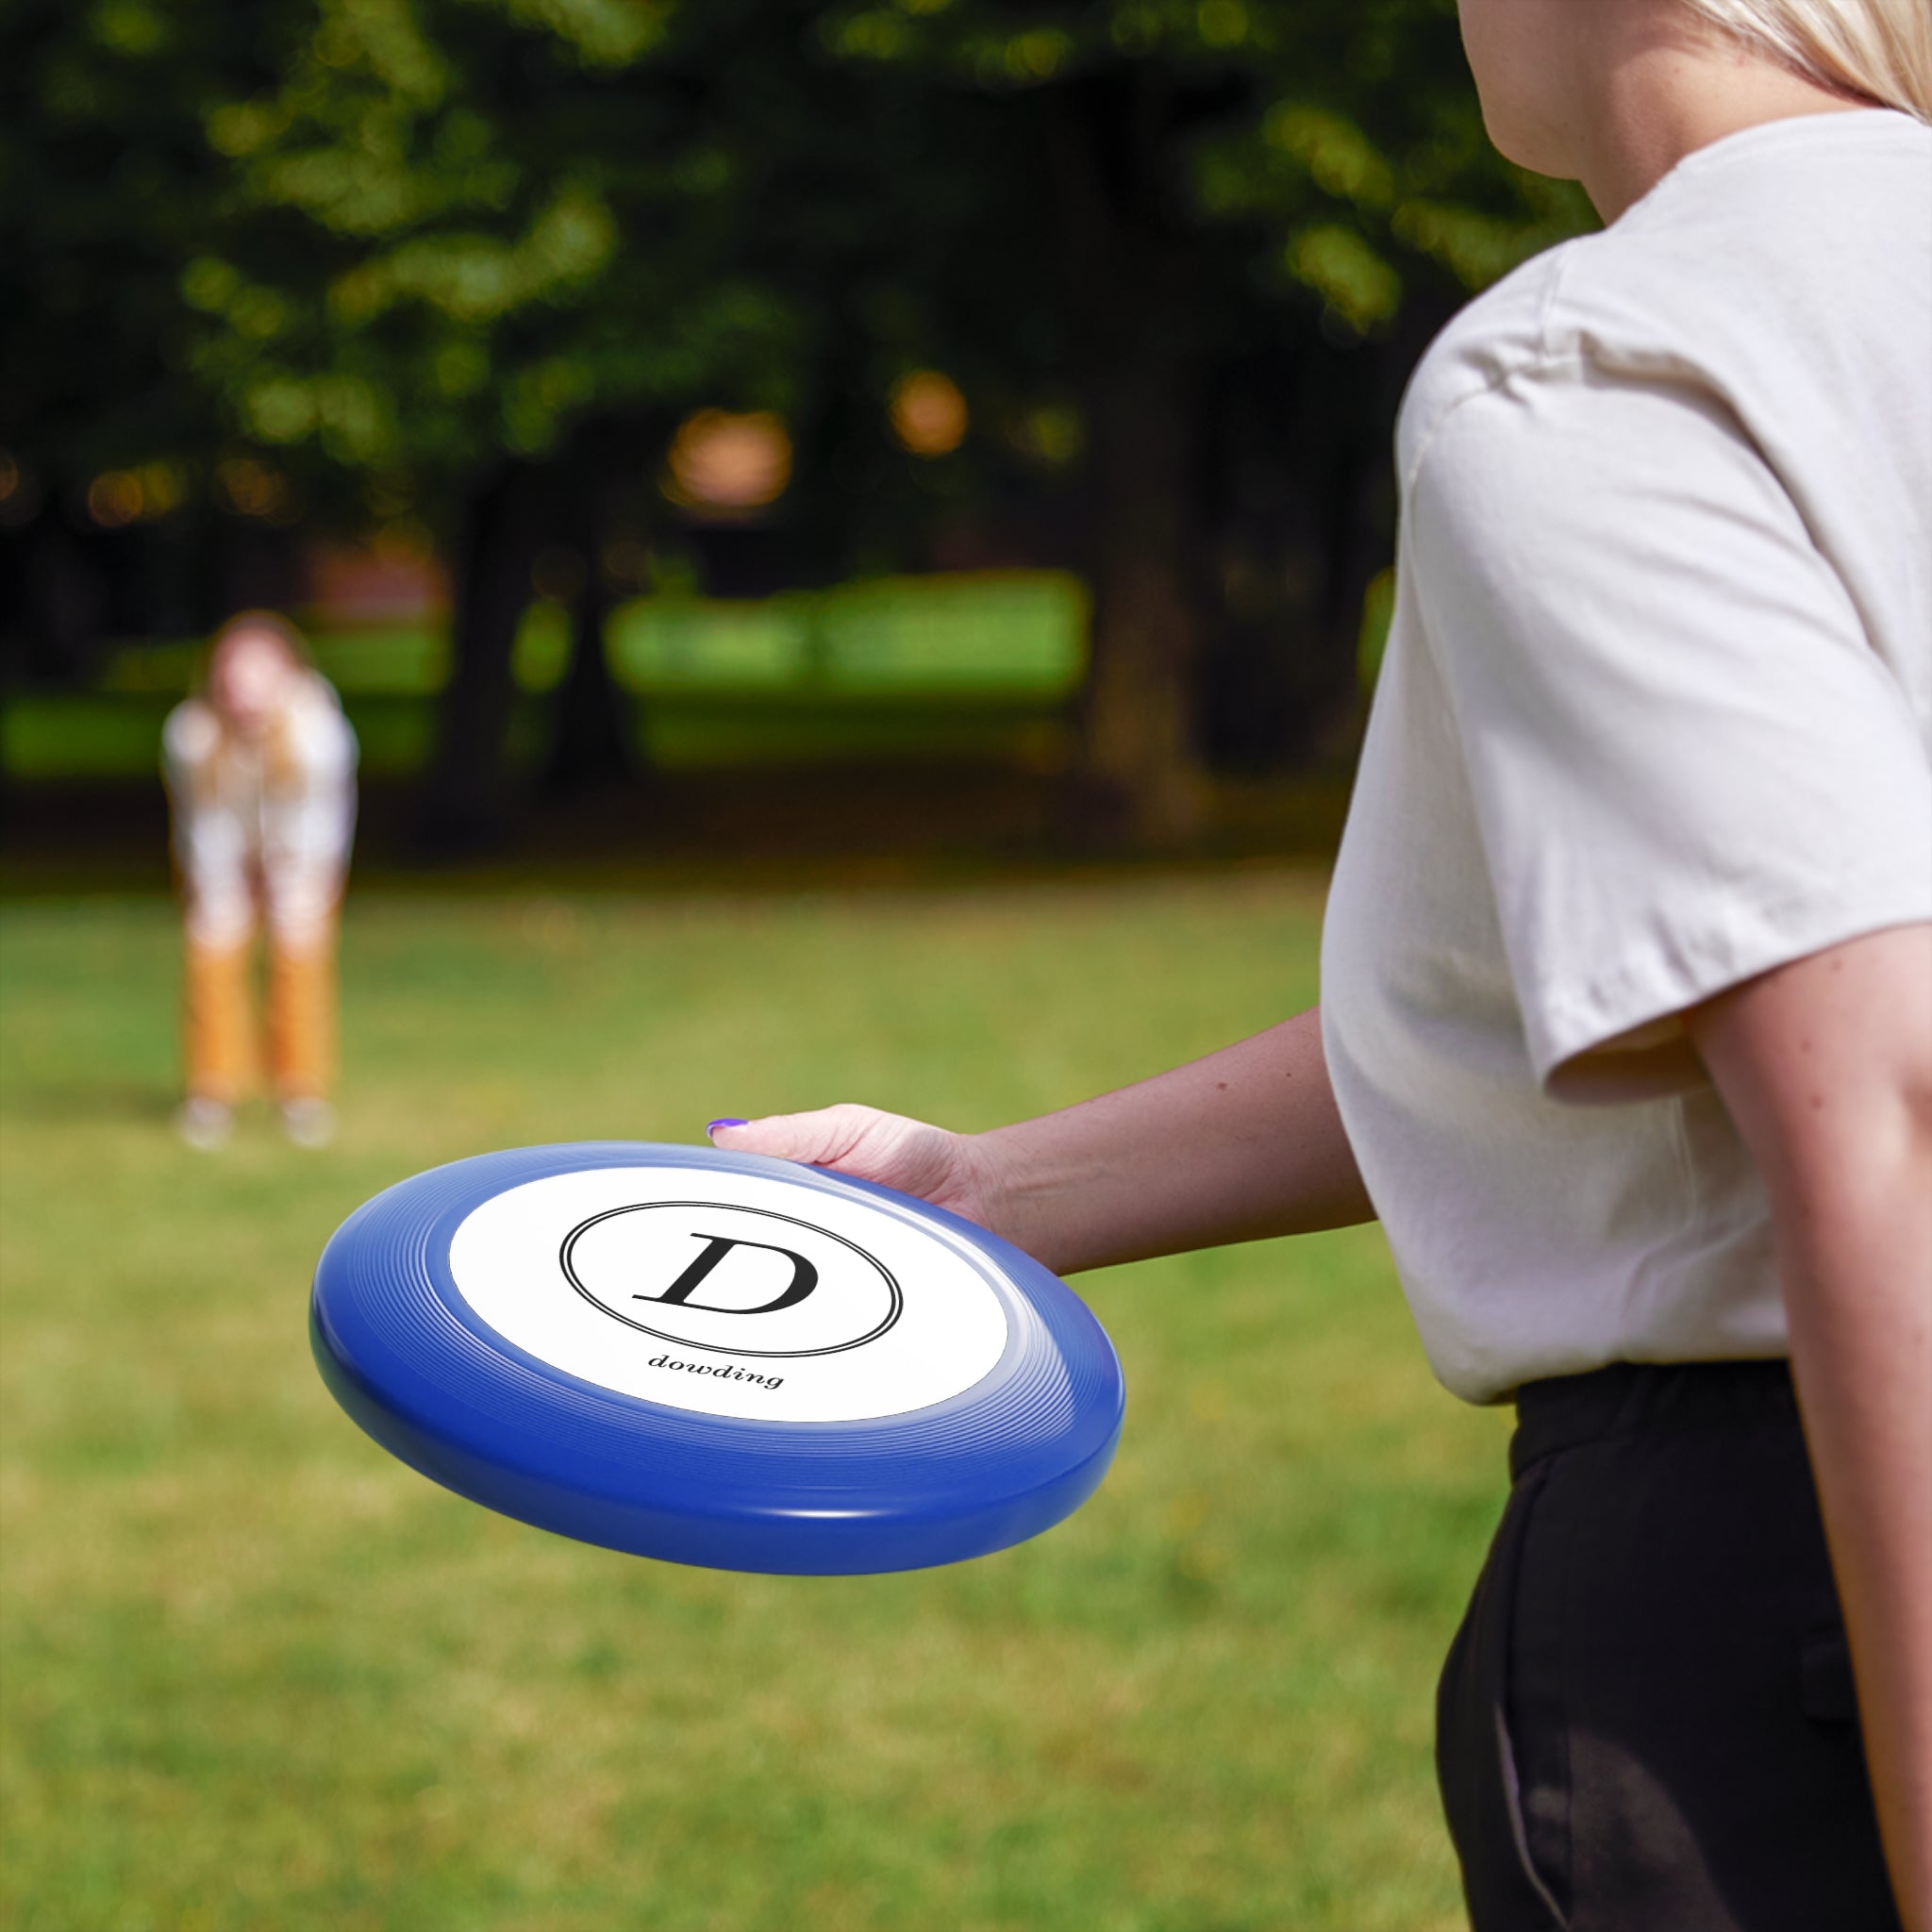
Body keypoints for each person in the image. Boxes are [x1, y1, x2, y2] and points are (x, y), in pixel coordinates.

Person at [706, 2, 1932, 1925]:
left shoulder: (1609, 360)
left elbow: (1885, 1099)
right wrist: (992, 1190)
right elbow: (1637, 985)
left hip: (1795, 1591)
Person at [162, 611, 358, 1150]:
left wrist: (287, 881)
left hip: (302, 858)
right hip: (221, 856)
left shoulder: (319, 734)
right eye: (234, 675)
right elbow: (204, 824)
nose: (244, 690)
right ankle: (212, 1091)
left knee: (299, 959)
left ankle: (301, 1093)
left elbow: (318, 824)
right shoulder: (191, 735)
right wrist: (224, 888)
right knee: (212, 952)